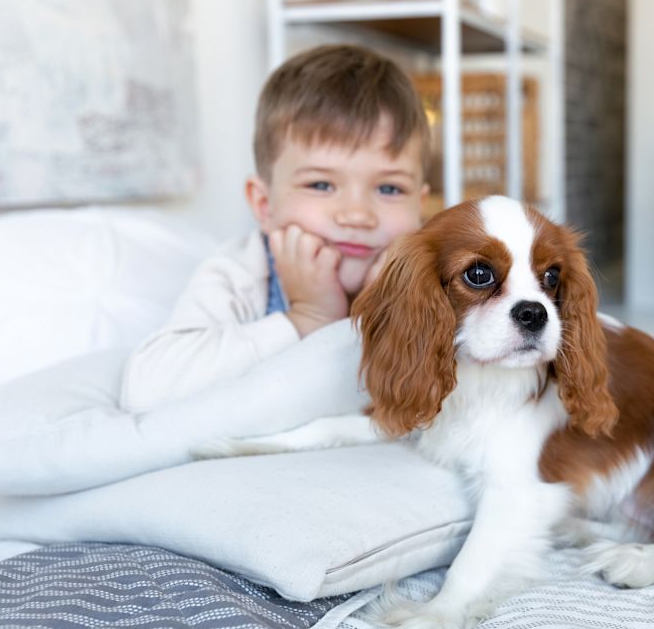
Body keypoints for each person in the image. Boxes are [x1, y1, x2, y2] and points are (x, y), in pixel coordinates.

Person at [120, 44, 431, 413]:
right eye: (321, 185)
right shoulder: (243, 272)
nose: (357, 215)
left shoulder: (428, 274)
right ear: (264, 205)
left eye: (389, 189)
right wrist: (306, 319)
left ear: (420, 206)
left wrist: (393, 314)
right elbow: (145, 391)